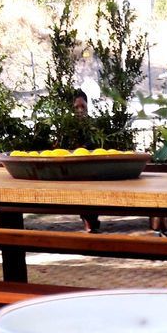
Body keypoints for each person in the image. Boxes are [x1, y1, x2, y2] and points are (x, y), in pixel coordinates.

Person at [72, 91, 100, 233]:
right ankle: (88, 220)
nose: (80, 110)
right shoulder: (69, 128)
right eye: (76, 107)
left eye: (83, 107)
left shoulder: (93, 125)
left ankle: (90, 220)